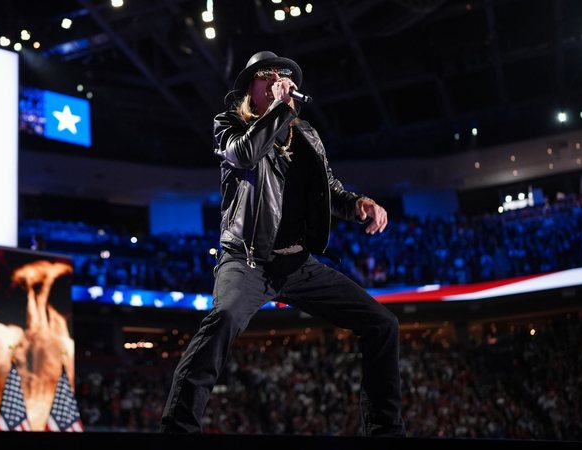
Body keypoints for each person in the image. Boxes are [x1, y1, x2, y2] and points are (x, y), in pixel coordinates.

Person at [161, 51, 405, 436]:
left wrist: (359, 204)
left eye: (284, 75)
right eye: (267, 75)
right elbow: (244, 155)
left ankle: (384, 430)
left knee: (382, 324)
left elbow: (329, 190)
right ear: (251, 90)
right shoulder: (229, 125)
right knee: (222, 320)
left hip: (297, 264)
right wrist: (277, 110)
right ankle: (178, 428)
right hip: (247, 260)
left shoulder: (306, 133)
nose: (279, 79)